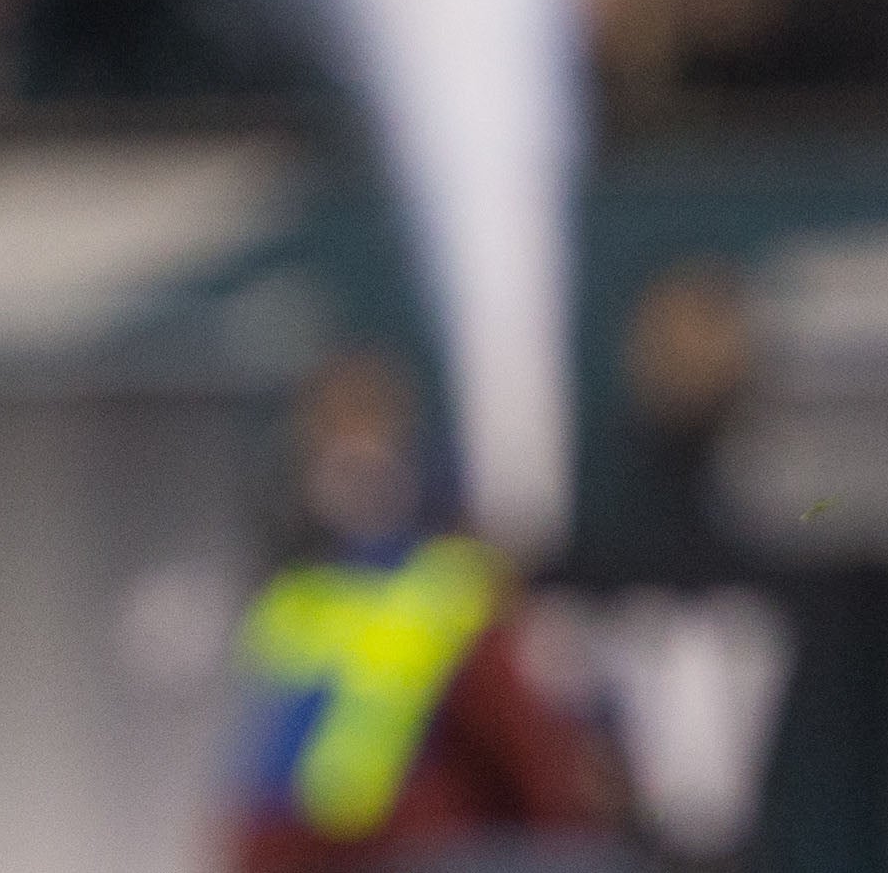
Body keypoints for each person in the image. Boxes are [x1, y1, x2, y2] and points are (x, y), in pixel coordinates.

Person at [228, 353, 611, 871]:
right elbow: (263, 763)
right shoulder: (290, 592)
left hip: (418, 846)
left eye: (367, 421)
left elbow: (523, 750)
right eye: (334, 426)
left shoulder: (455, 582)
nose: (352, 446)